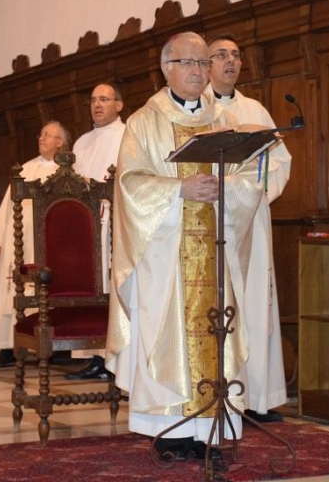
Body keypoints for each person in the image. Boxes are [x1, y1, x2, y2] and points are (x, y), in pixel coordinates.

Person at [106, 32, 266, 459]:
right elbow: (129, 183)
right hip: (165, 254)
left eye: (202, 63)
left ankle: (213, 431)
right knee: (169, 335)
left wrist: (225, 188)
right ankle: (172, 432)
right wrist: (179, 190)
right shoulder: (145, 122)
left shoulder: (225, 122)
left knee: (217, 331)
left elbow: (251, 179)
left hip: (215, 249)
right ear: (166, 68)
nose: (198, 71)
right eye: (189, 63)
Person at [206, 33, 292, 423]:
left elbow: (279, 161)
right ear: (205, 64)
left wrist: (251, 192)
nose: (231, 61)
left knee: (254, 303)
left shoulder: (256, 110)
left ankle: (257, 396)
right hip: (209, 218)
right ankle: (214, 394)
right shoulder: (197, 107)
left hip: (251, 217)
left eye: (236, 55)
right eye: (221, 55)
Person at [0, 121, 70, 367]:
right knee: (11, 294)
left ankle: (49, 347)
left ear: (60, 142)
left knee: (46, 295)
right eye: (40, 134)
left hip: (48, 246)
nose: (42, 138)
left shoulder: (66, 173)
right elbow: (7, 207)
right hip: (18, 244)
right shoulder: (24, 169)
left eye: (48, 135)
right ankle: (8, 346)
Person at [65, 82, 125, 381]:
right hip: (85, 226)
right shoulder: (81, 142)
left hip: (112, 224)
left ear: (119, 105)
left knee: (111, 289)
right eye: (92, 100)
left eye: (104, 99)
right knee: (90, 287)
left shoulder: (127, 136)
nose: (97, 105)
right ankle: (93, 357)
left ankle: (114, 358)